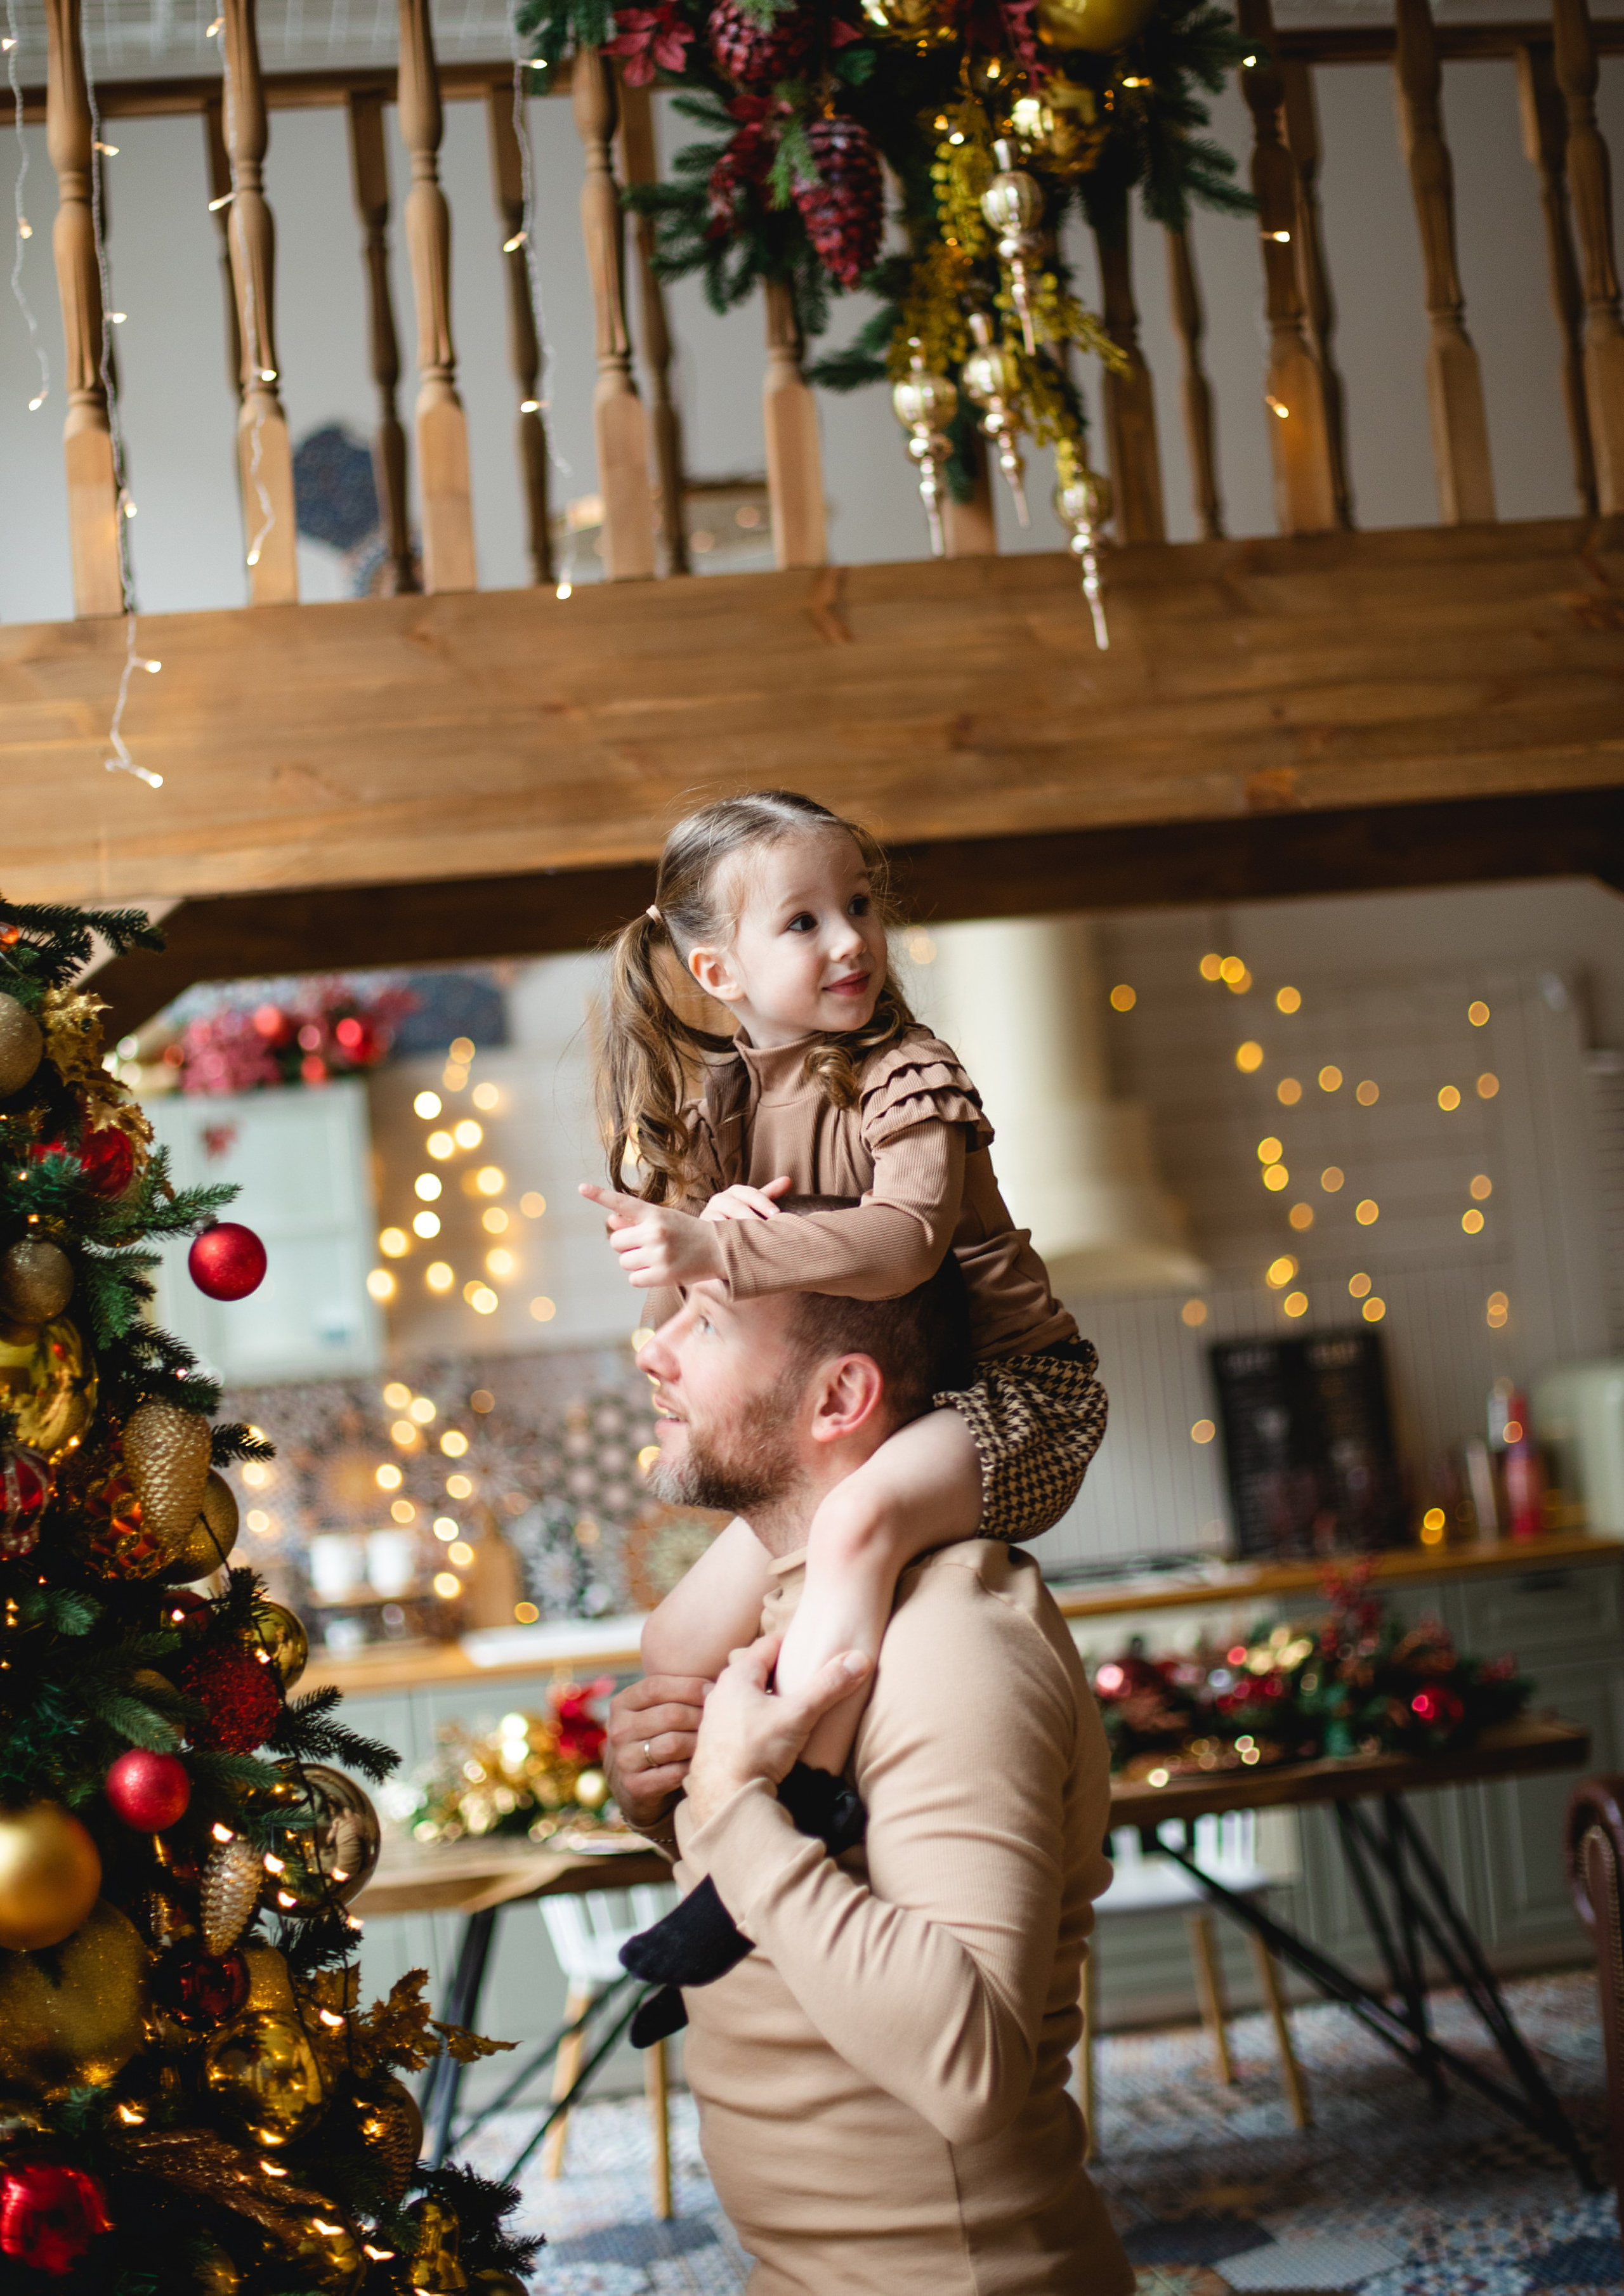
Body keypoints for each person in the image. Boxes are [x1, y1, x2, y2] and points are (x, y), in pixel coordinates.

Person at [580, 790, 1106, 1981]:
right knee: (674, 1633)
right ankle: (688, 1829)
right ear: (717, 971)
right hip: (885, 1411)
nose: (852, 940)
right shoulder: (718, 1108)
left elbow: (906, 1244)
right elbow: (688, 1317)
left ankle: (796, 1816)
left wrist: (725, 1247)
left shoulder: (907, 1074)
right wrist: (693, 1255)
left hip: (1011, 1398)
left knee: (858, 1525)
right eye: (805, 921)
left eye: (860, 906)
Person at [603, 1230, 1134, 2295]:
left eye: (707, 1323)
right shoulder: (782, 1612)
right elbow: (797, 1906)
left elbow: (972, 2063)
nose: (652, 1351)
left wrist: (733, 1806)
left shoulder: (952, 1640)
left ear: (840, 1398)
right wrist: (671, 1806)